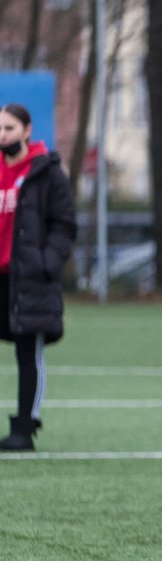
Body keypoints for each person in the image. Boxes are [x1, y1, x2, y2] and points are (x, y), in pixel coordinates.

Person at [0, 103, 76, 452]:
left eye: (10, 128)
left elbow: (64, 224)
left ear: (27, 131)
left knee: (28, 353)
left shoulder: (46, 172)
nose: (4, 136)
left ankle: (24, 429)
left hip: (28, 279)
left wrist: (47, 262)